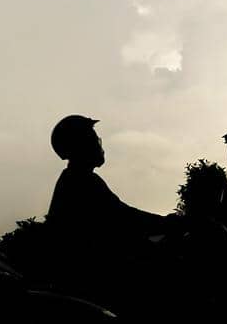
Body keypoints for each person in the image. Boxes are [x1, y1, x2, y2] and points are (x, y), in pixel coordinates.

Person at [44, 114, 178, 309]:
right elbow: (124, 217)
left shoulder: (77, 178)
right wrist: (168, 223)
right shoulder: (81, 181)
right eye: (92, 138)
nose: (98, 142)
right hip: (89, 279)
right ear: (80, 144)